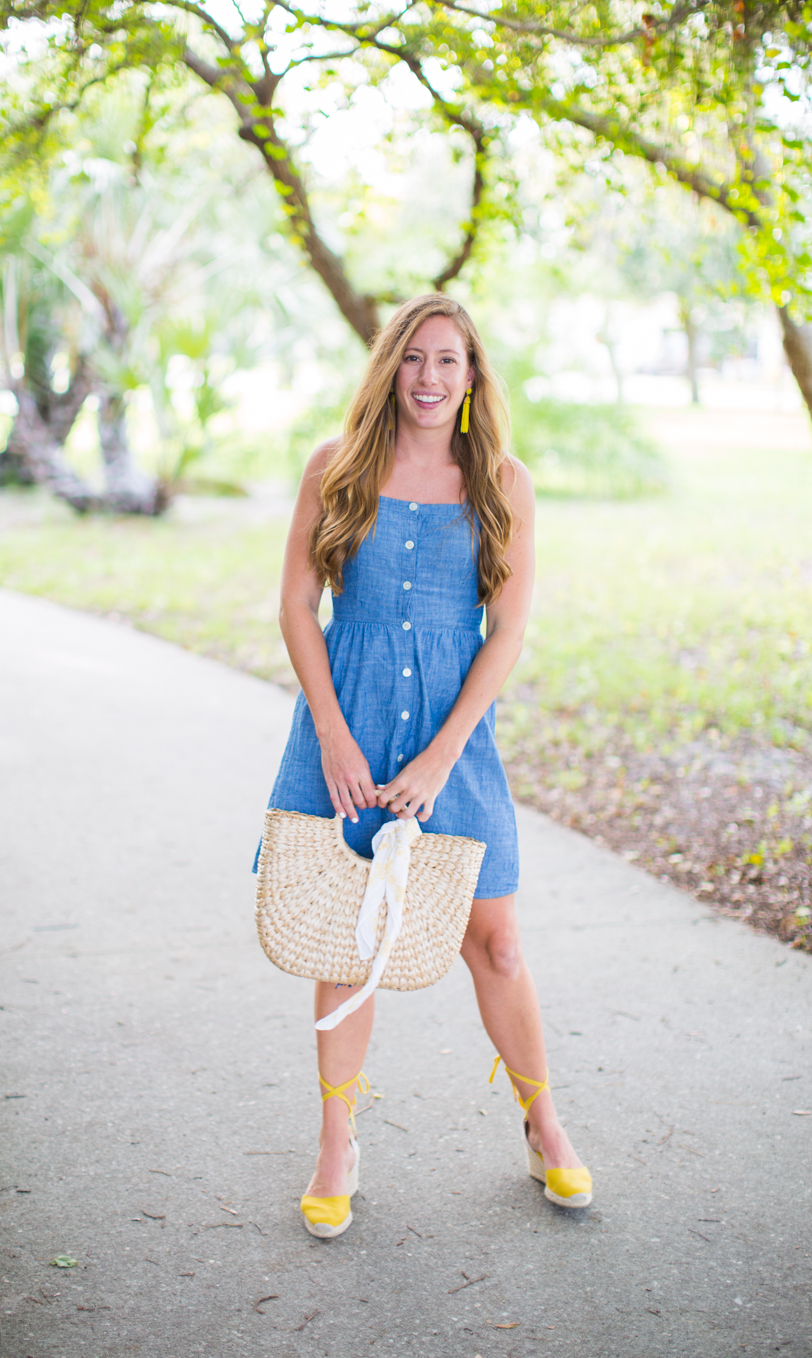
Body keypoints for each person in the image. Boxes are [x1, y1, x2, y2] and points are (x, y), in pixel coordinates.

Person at [261, 293, 591, 1238]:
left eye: (450, 361)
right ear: (389, 368)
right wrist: (331, 732)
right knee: (340, 941)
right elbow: (295, 606)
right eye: (414, 359)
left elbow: (509, 631)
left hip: (456, 746)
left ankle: (544, 1124)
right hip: (348, 736)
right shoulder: (335, 469)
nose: (431, 378)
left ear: (473, 375)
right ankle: (337, 1143)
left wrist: (444, 756)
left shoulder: (503, 482)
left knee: (497, 943)